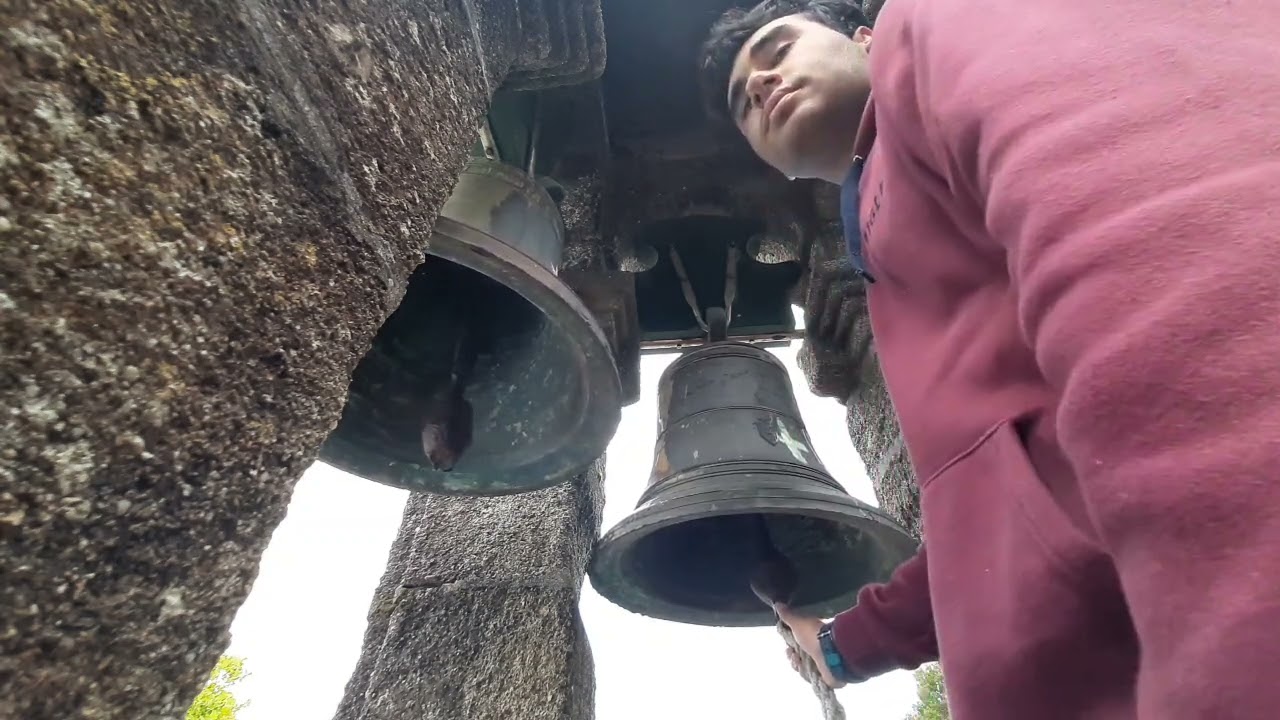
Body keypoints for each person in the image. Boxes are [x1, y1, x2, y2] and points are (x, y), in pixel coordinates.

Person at [698, 1, 1280, 718]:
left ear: (866, 39)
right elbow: (1005, 496)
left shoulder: (948, 21)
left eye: (778, 48)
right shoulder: (889, 242)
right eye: (739, 101)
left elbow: (1200, 291)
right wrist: (852, 643)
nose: (758, 84)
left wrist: (1243, 649)